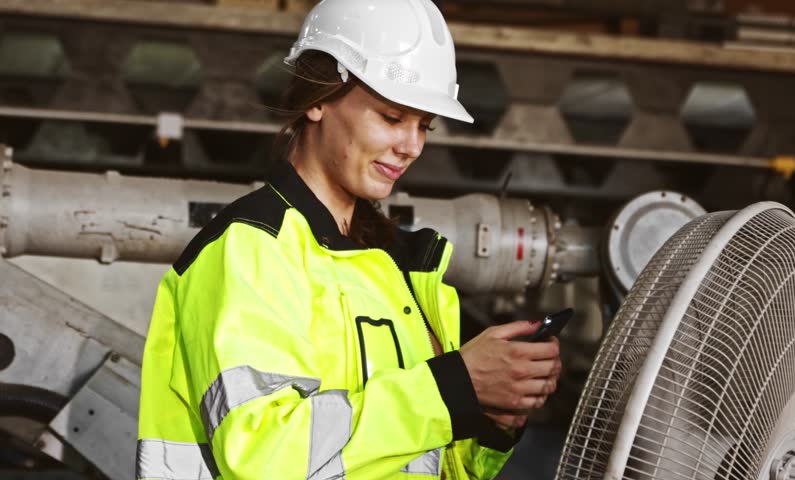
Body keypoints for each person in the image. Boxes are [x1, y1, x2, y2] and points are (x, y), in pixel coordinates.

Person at [136, 0, 562, 478]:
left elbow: (427, 462)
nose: (412, 146)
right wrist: (452, 387)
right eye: (392, 116)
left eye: (424, 125)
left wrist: (491, 420)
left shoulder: (399, 270)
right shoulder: (253, 248)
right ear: (317, 100)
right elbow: (264, 458)